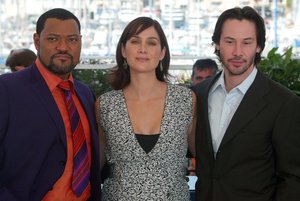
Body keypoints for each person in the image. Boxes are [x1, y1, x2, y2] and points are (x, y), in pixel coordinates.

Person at [192, 6, 300, 201]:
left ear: (259, 46)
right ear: (217, 44)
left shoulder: (283, 103)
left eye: (247, 42)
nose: (237, 52)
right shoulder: (199, 95)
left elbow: (293, 178)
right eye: (229, 41)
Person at [0, 8, 101, 201]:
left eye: (72, 39)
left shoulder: (85, 94)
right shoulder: (6, 90)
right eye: (53, 39)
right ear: (37, 41)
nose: (63, 47)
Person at [96, 16, 197, 200]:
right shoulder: (106, 105)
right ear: (123, 50)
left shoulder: (185, 100)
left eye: (151, 43)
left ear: (162, 52)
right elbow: (94, 165)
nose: (143, 49)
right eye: (135, 41)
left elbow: (205, 155)